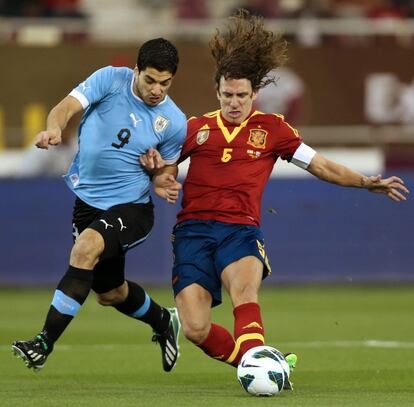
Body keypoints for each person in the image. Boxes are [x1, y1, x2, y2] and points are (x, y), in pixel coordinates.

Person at [141, 10, 409, 389]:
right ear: (217, 92)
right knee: (196, 329)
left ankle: (262, 371)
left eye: (242, 96)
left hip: (240, 231)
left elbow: (320, 165)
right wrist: (161, 181)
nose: (235, 103)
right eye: (228, 95)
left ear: (255, 94)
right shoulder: (194, 129)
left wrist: (366, 182)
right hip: (192, 233)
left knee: (244, 293)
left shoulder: (273, 130)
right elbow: (164, 170)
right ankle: (264, 366)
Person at [11, 38, 187, 373]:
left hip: (132, 208)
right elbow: (64, 108)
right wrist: (53, 128)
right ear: (136, 71)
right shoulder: (110, 79)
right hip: (88, 204)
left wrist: (161, 178)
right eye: (150, 80)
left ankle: (43, 343)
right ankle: (163, 320)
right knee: (110, 292)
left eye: (165, 83)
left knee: (85, 249)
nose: (156, 90)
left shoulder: (174, 122)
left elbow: (167, 170)